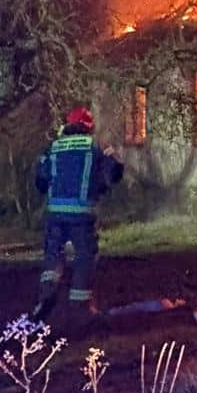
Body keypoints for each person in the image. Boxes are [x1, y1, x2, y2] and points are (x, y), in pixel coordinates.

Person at [33, 105, 123, 325]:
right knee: (84, 255)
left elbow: (41, 180)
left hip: (55, 212)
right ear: (88, 126)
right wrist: (102, 184)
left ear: (68, 125)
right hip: (82, 213)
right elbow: (114, 171)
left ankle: (47, 292)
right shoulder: (95, 145)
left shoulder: (53, 147)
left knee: (53, 253)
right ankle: (80, 304)